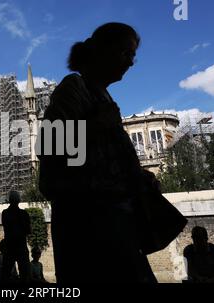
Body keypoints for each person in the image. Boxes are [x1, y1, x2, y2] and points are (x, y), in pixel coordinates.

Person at [38, 22, 158, 283]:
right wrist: (96, 125)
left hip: (117, 222)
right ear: (102, 51)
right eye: (126, 53)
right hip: (90, 226)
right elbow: (51, 149)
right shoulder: (74, 88)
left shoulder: (102, 95)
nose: (131, 62)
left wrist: (137, 175)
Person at [1, 190, 31, 283]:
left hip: (9, 247)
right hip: (21, 247)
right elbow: (29, 231)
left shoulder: (5, 213)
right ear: (19, 200)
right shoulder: (24, 214)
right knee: (24, 275)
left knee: (6, 274)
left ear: (9, 200)